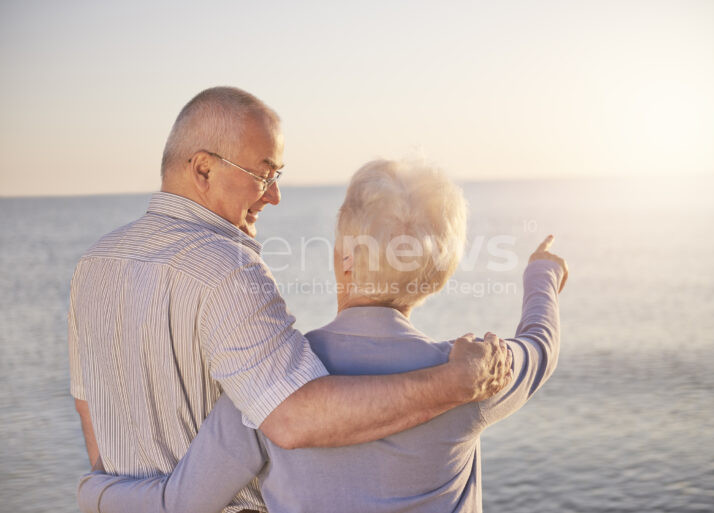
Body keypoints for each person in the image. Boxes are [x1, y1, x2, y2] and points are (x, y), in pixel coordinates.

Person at [68, 88, 514, 513]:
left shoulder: (95, 264)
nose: (274, 195)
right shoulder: (228, 267)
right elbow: (292, 419)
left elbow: (91, 415)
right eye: (263, 174)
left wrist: (103, 495)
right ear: (203, 169)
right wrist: (455, 384)